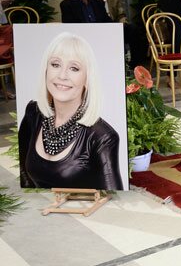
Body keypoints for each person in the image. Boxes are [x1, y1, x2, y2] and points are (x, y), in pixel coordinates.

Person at [18, 32, 123, 190]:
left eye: (74, 68)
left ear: (87, 79)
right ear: (46, 70)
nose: (62, 75)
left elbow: (115, 198)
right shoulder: (33, 112)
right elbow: (24, 172)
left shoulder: (102, 137)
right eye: (55, 65)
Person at [90, 0, 149, 70]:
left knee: (134, 30)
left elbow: (121, 14)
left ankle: (135, 64)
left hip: (114, 26)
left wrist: (122, 24)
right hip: (99, 28)